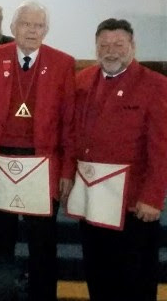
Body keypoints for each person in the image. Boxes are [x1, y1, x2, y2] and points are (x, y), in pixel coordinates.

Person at [0, 1, 75, 301]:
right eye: (26, 24)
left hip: (43, 163)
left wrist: (67, 171)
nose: (32, 31)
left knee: (43, 242)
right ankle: (1, 294)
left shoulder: (62, 63)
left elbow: (69, 122)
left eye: (38, 26)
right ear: (12, 28)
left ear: (46, 30)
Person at [67, 18, 167, 301]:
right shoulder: (82, 81)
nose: (111, 51)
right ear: (96, 47)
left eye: (118, 44)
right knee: (98, 273)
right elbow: (74, 134)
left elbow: (162, 147)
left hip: (133, 204)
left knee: (135, 279)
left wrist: (153, 197)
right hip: (91, 198)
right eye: (104, 45)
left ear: (132, 46)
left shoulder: (155, 85)